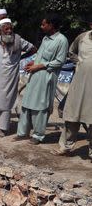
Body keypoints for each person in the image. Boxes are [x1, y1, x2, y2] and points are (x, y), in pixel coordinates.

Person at [16, 14, 69, 144]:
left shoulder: (62, 40)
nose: (42, 26)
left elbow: (59, 61)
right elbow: (40, 55)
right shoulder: (45, 38)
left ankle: (38, 136)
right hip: (35, 75)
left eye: (44, 24)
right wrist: (33, 62)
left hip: (46, 77)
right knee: (27, 104)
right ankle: (22, 133)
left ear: (51, 25)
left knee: (41, 106)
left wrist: (40, 66)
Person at [0, 18, 36, 135]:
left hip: (10, 77)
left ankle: (3, 128)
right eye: (6, 29)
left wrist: (21, 58)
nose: (9, 31)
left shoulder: (19, 41)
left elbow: (33, 49)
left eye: (11, 28)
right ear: (0, 30)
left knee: (6, 102)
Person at [54, 20, 92, 157]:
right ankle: (65, 147)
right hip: (79, 83)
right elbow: (71, 52)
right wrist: (79, 62)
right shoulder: (82, 38)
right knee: (71, 116)